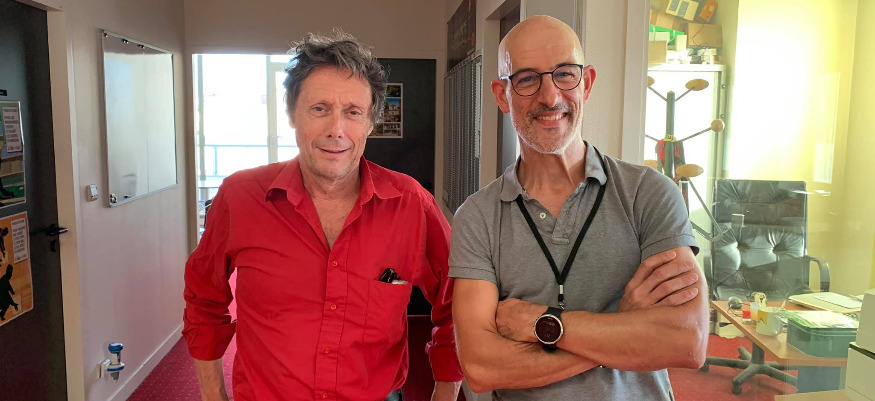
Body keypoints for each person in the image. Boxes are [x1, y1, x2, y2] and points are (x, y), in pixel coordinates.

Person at [183, 30, 462, 401]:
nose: (336, 130)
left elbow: (457, 303)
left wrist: (445, 392)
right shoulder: (240, 197)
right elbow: (204, 299)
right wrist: (213, 395)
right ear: (292, 114)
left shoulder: (411, 205)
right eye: (320, 109)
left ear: (371, 122)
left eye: (353, 112)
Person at [449, 16, 708, 400]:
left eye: (565, 74)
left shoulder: (650, 194)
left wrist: (542, 324)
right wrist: (623, 325)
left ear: (586, 83)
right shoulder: (478, 216)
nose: (550, 96)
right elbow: (482, 367)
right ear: (502, 95)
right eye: (527, 79)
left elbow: (687, 341)